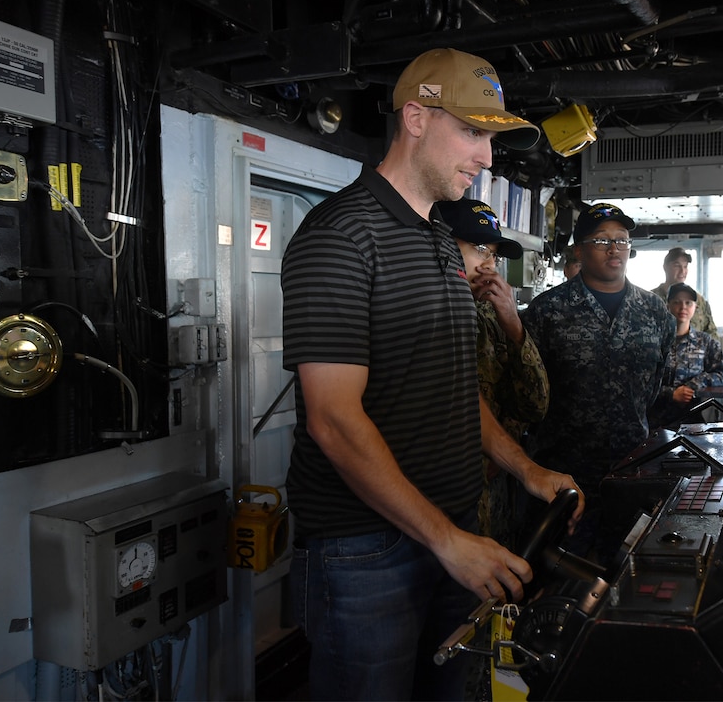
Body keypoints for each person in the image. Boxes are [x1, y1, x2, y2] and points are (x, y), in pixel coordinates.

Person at [280, 47, 583, 701]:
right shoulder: (339, 236)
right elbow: (333, 420)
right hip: (366, 556)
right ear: (415, 117)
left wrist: (524, 469)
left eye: (491, 138)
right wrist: (449, 540)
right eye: (472, 132)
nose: (486, 157)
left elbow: (454, 388)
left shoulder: (438, 243)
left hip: (449, 536)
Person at [522, 202, 676, 560]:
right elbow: (528, 392)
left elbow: (656, 382)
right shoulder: (547, 311)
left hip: (629, 469)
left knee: (623, 569)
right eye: (601, 240)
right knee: (557, 573)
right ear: (579, 250)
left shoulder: (654, 311)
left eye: (622, 241)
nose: (614, 249)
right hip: (562, 475)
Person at [437, 197, 550, 548]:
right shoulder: (423, 307)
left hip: (497, 491)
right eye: (481, 249)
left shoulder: (492, 314)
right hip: (440, 497)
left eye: (494, 255)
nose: (490, 265)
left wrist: (514, 325)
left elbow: (535, 405)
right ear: (442, 244)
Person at [650, 283, 723, 429]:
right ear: (668, 306)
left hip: (691, 421)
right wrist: (671, 394)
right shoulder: (652, 339)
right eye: (676, 302)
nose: (683, 307)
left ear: (695, 307)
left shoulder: (705, 341)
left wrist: (696, 383)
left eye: (688, 303)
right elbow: (639, 380)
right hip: (654, 421)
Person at [651, 247, 715, 333]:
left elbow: (711, 332)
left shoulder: (698, 300)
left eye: (685, 266)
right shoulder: (650, 299)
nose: (682, 271)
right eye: (677, 266)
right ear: (665, 267)